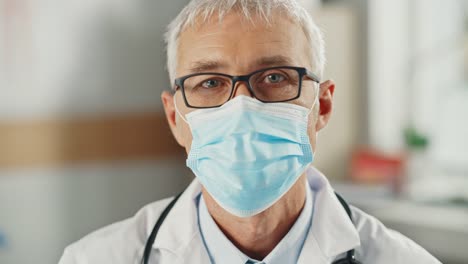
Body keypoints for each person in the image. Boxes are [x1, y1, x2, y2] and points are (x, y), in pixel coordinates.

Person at [58, 0, 441, 263]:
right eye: (209, 82)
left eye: (274, 77)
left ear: (322, 105)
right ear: (175, 118)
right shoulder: (95, 259)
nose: (241, 106)